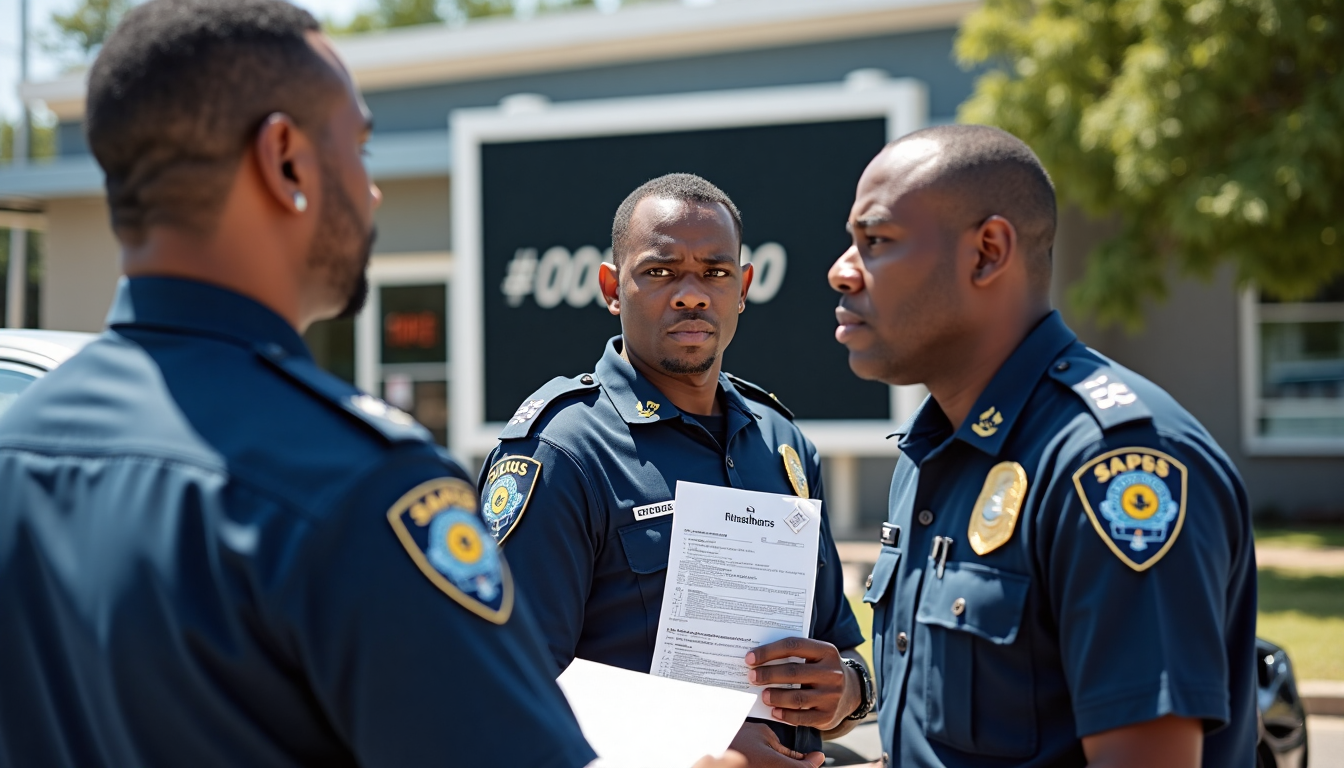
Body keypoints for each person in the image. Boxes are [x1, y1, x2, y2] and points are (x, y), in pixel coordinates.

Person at [0, 4, 743, 768]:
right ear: (285, 160)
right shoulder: (360, 487)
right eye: (359, 145)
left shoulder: (17, 444)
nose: (374, 191)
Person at [827, 124, 1257, 767]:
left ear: (987, 252)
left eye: (876, 241)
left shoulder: (1112, 464)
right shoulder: (932, 452)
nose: (842, 272)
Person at [479, 173, 874, 768]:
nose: (692, 294)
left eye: (715, 273)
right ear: (613, 288)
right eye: (661, 272)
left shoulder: (783, 444)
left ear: (742, 287)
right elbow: (503, 684)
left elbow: (840, 648)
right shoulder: (563, 452)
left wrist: (846, 689)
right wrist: (696, 739)